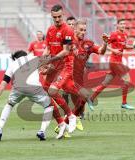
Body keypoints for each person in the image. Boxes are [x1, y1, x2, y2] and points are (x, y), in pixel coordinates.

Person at [0, 50, 54, 141]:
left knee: (9, 105)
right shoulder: (33, 58)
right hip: (34, 87)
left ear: (15, 58)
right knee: (49, 106)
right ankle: (42, 131)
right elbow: (49, 64)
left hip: (18, 87)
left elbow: (3, 85)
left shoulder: (12, 64)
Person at [63, 19, 108, 131]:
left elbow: (101, 51)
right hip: (66, 77)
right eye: (81, 30)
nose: (83, 32)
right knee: (83, 98)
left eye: (84, 30)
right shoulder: (68, 41)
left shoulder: (88, 44)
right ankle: (66, 122)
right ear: (74, 29)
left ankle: (66, 122)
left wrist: (105, 43)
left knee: (80, 103)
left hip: (79, 79)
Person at [41, 4, 78, 135]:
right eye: (54, 17)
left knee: (52, 90)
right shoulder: (50, 30)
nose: (57, 19)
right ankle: (61, 122)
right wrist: (43, 58)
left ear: (63, 15)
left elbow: (66, 51)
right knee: (46, 89)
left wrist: (49, 60)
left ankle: (71, 115)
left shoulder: (67, 30)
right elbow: (47, 48)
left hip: (65, 65)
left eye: (59, 17)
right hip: (54, 65)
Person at [90, 18, 135, 110]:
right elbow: (104, 45)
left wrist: (134, 47)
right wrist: (113, 50)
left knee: (105, 83)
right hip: (114, 62)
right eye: (121, 24)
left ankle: (90, 99)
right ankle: (124, 103)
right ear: (117, 25)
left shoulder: (125, 35)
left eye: (124, 24)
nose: (123, 25)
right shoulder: (114, 34)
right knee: (127, 80)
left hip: (118, 61)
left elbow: (124, 46)